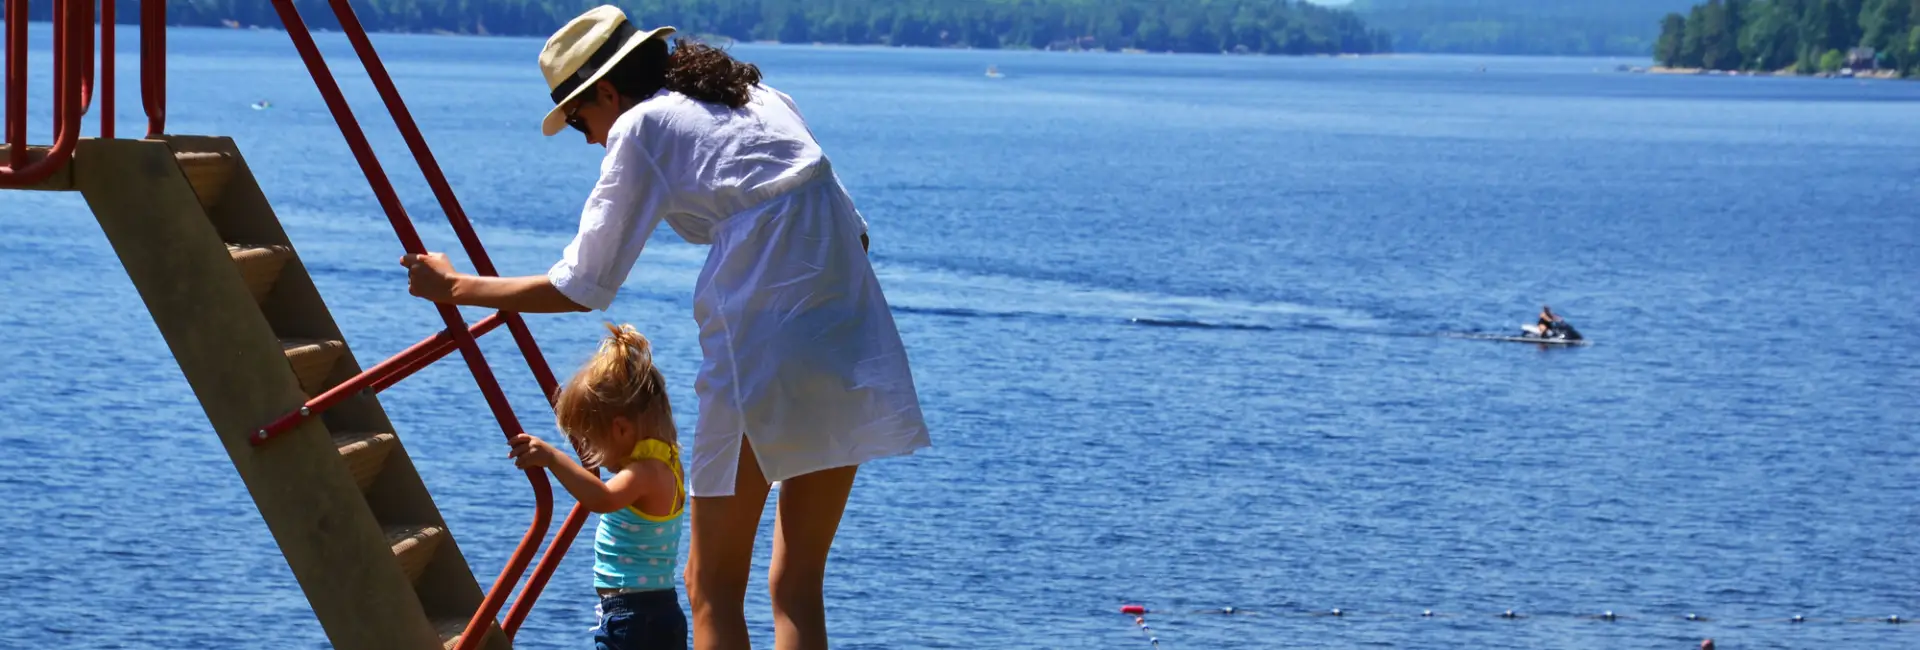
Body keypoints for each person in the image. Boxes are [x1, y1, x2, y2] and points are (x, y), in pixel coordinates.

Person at [398, 6, 930, 649]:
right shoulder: (760, 97)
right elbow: (857, 230)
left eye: (578, 120)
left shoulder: (642, 126)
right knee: (795, 585)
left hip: (761, 346)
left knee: (709, 587)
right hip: (850, 330)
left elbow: (580, 286)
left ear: (605, 93)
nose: (589, 138)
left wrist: (456, 288)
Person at [509, 324, 688, 650]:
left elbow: (602, 498)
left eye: (593, 441)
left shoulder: (643, 473)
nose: (593, 455)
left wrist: (552, 458)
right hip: (657, 612)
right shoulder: (668, 462)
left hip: (634, 619)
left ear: (620, 429)